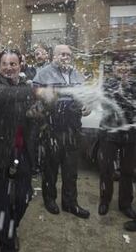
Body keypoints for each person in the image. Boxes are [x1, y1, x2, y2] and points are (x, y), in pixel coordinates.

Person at [0, 49, 54, 252]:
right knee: (1, 201)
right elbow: (5, 96)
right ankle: (5, 243)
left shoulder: (25, 86)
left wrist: (46, 105)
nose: (8, 67)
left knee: (23, 198)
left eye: (13, 63)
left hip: (22, 152)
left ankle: (11, 229)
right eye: (4, 63)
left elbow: (32, 115)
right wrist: (35, 91)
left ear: (20, 66)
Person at [33, 44, 90, 219]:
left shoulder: (76, 74)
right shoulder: (43, 73)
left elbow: (85, 98)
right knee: (50, 168)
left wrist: (87, 107)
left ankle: (70, 203)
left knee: (71, 170)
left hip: (73, 129)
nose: (65, 57)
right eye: (62, 54)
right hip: (51, 129)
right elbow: (34, 94)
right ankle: (50, 199)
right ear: (53, 57)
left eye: (68, 54)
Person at [97, 53, 136, 220]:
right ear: (113, 68)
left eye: (127, 65)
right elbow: (107, 105)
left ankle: (125, 204)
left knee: (128, 171)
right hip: (110, 132)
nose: (123, 68)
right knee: (107, 170)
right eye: (120, 65)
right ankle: (104, 200)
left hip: (130, 133)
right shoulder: (107, 84)